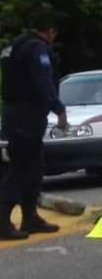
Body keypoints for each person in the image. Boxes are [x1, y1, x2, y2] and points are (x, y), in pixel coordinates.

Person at [0, 13, 68, 240]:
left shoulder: (13, 46)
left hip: (15, 115)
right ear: (51, 31)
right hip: (26, 117)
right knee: (21, 170)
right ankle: (2, 221)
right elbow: (42, 82)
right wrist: (59, 109)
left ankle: (30, 217)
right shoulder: (37, 49)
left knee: (35, 168)